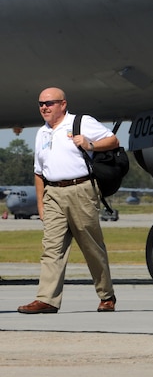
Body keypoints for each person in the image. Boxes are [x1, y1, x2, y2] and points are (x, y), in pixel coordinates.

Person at [18, 88, 119, 314]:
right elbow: (38, 171)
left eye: (49, 103)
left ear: (63, 104)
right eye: (41, 104)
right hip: (53, 192)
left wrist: (89, 144)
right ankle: (47, 299)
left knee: (91, 247)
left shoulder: (81, 122)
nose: (44, 107)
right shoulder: (41, 133)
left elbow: (113, 140)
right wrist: (41, 204)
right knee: (51, 248)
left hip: (81, 189)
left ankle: (106, 295)